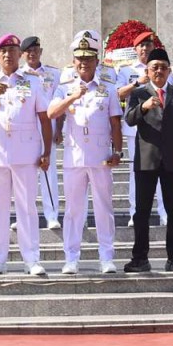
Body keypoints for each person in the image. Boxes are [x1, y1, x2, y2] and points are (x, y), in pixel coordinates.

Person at [0, 34, 53, 277]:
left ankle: (31, 259)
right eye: (3, 51)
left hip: (26, 154)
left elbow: (44, 119)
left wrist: (46, 151)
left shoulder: (33, 82)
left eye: (12, 51)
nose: (8, 55)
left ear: (20, 54)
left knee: (27, 208)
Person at [48, 34, 123, 274]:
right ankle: (71, 257)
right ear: (73, 60)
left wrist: (118, 151)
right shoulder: (64, 88)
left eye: (89, 58)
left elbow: (115, 123)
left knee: (104, 208)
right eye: (80, 58)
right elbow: (51, 113)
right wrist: (72, 96)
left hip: (101, 156)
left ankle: (106, 256)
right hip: (75, 156)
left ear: (96, 60)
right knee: (73, 210)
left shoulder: (108, 88)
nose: (84, 63)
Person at [123, 48, 173, 273]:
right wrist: (143, 108)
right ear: (147, 70)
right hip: (146, 160)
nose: (159, 72)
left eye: (163, 68)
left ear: (169, 70)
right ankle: (139, 258)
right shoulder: (139, 93)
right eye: (155, 68)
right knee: (142, 212)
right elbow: (129, 119)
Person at [116, 31, 168, 226]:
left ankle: (165, 213)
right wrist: (137, 82)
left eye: (148, 45)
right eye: (141, 46)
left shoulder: (161, 66)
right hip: (135, 126)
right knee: (136, 172)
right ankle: (134, 212)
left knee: (163, 169)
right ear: (135, 49)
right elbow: (119, 94)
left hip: (160, 126)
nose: (145, 48)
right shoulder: (125, 70)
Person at [21, 35, 63, 230]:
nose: (32, 54)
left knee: (49, 172)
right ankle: (23, 215)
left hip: (48, 127)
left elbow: (60, 102)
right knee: (25, 175)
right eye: (28, 51)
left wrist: (59, 128)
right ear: (23, 54)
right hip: (25, 130)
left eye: (35, 50)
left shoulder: (54, 74)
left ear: (41, 52)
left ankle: (51, 214)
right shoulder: (19, 76)